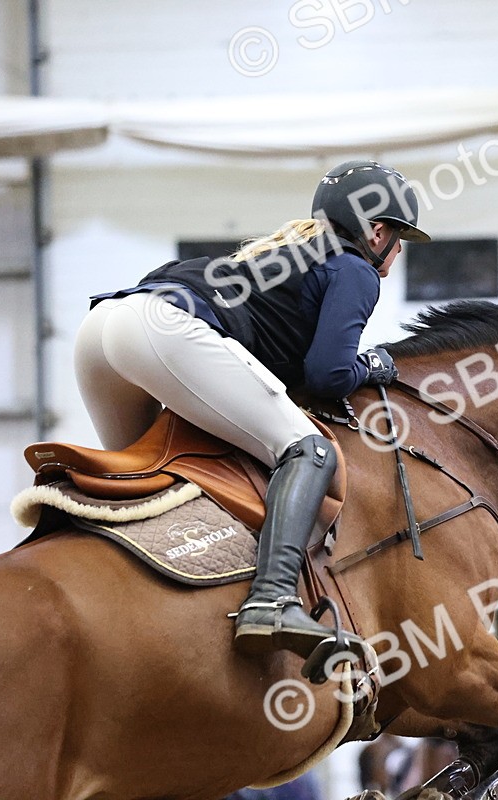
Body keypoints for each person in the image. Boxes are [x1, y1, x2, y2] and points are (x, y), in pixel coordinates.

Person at [74, 160, 429, 660]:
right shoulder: (354, 268)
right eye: (398, 242)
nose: (393, 261)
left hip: (105, 329)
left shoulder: (285, 252)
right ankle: (274, 599)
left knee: (144, 478)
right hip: (164, 332)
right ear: (376, 233)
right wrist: (374, 367)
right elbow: (328, 375)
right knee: (310, 451)